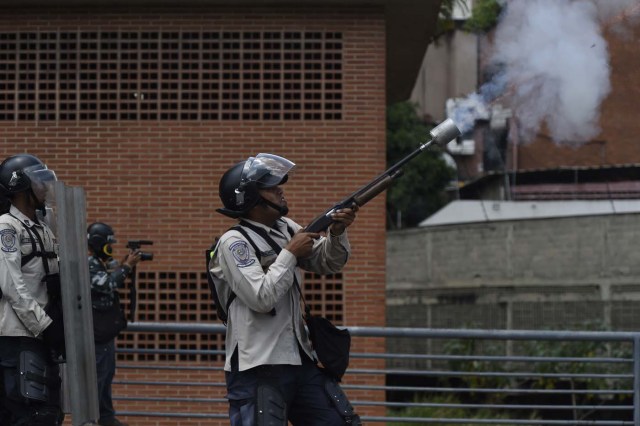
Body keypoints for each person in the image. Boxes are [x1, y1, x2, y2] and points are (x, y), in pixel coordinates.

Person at [209, 153, 362, 425]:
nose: (279, 189)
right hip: (257, 367)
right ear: (250, 198)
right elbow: (260, 298)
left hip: (299, 359)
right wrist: (290, 253)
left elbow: (329, 263)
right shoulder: (234, 242)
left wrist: (337, 232)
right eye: (269, 187)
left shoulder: (285, 227)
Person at [0, 153, 64, 425]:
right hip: (18, 337)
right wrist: (45, 326)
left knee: (49, 413)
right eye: (39, 182)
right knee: (27, 415)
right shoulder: (7, 227)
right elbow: (12, 286)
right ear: (21, 188)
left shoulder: (43, 228)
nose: (44, 187)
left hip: (42, 335)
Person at [87, 222, 141, 426]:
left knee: (106, 378)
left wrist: (123, 263)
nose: (111, 248)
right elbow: (108, 283)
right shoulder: (90, 264)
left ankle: (106, 417)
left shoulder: (101, 262)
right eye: (109, 244)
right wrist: (127, 267)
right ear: (99, 243)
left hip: (105, 335)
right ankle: (92, 419)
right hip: (97, 337)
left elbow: (111, 273)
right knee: (98, 380)